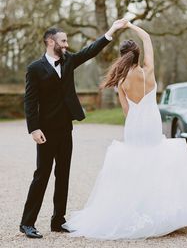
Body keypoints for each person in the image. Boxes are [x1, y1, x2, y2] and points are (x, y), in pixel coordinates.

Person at [63, 21, 187, 240]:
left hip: (134, 124)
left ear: (123, 56)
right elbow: (148, 39)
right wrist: (131, 25)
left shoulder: (120, 80)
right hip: (151, 122)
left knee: (135, 163)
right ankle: (158, 212)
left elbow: (126, 111)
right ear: (137, 54)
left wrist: (132, 115)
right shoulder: (148, 70)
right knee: (156, 160)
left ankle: (134, 211)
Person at [20, 18, 129, 239]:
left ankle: (58, 221)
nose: (67, 45)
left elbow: (90, 51)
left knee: (63, 175)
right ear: (50, 42)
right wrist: (34, 128)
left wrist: (111, 31)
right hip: (46, 131)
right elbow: (30, 101)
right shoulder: (34, 69)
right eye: (63, 41)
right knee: (42, 175)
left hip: (65, 128)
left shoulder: (69, 61)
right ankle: (27, 223)